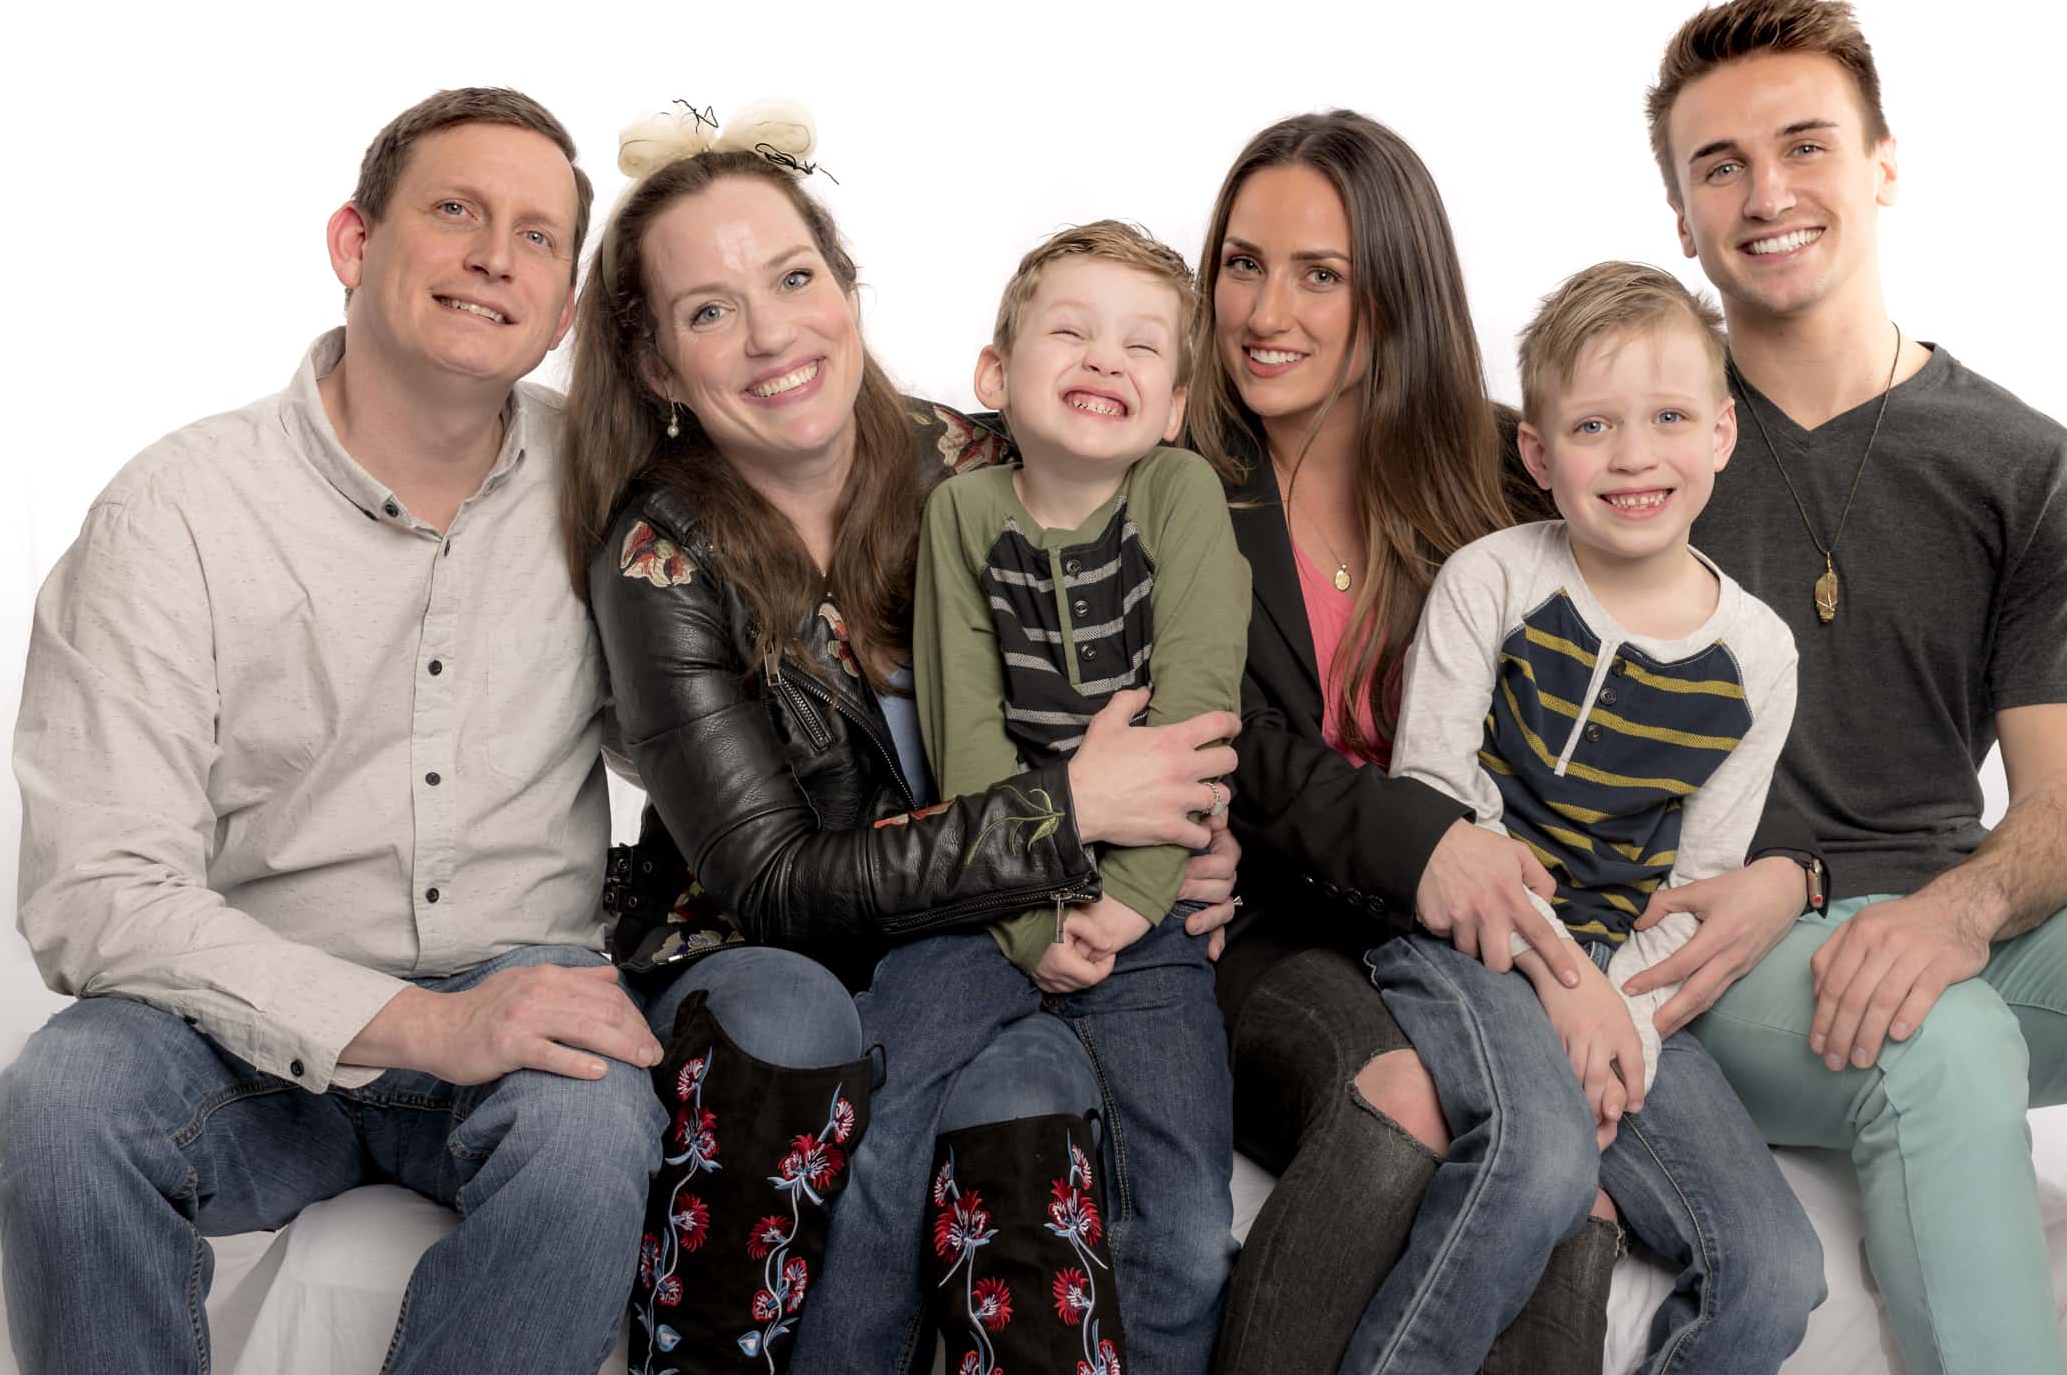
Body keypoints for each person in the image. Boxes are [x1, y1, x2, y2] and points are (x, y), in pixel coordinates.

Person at [1622, 0, 2067, 1375]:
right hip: (1719, 929)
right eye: (1720, 166)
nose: (1768, 193)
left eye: (1807, 145)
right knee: (1943, 1042)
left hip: (1940, 893)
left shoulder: (2025, 465)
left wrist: (1958, 910)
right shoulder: (1633, 444)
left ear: (1883, 164)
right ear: (1681, 217)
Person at [0, 87, 681, 1375]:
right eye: (457, 211)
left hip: (518, 996)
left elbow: (714, 742)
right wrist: (420, 1025)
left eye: (538, 238)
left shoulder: (613, 494)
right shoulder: (177, 513)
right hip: (239, 1016)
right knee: (65, 1102)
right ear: (354, 244)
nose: (494, 256)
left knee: (592, 1139)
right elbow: (96, 891)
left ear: (567, 310)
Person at [559, 104, 1244, 1375]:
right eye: (709, 311)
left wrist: (1190, 832)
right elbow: (773, 883)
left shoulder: (974, 465)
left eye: (794, 277)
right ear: (657, 366)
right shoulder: (660, 558)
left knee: (1022, 1112)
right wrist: (1070, 815)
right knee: (847, 1070)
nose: (772, 333)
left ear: (846, 287)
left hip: (1006, 943)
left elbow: (1151, 672)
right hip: (777, 951)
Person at [1194, 110, 1620, 1375]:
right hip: (1262, 925)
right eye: (1242, 261)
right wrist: (1423, 842)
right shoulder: (1176, 473)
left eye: (1320, 273)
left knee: (1577, 1192)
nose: (1266, 309)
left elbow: (1671, 624)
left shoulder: (1499, 465)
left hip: (1464, 931)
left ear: (1395, 290)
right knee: (1403, 1103)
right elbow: (1232, 737)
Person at [1342, 261, 1823, 1373]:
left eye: (1667, 418)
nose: (1634, 455)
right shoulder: (1493, 581)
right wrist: (1563, 985)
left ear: (1722, 434)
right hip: (1466, 942)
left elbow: (1698, 887)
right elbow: (1434, 795)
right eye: (1595, 424)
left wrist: (1621, 1022)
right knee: (1542, 1162)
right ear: (1538, 451)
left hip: (1628, 986)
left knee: (1776, 1271)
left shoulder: (1757, 655)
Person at [900, 218, 1247, 1372]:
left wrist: (1127, 908)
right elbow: (965, 737)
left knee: (1189, 1226)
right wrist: (1030, 915)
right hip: (985, 905)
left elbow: (1195, 717)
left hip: (1146, 926)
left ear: (1177, 403)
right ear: (996, 376)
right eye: (1072, 331)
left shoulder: (1180, 494)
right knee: (875, 1140)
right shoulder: (961, 514)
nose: (1107, 359)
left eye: (1143, 346)